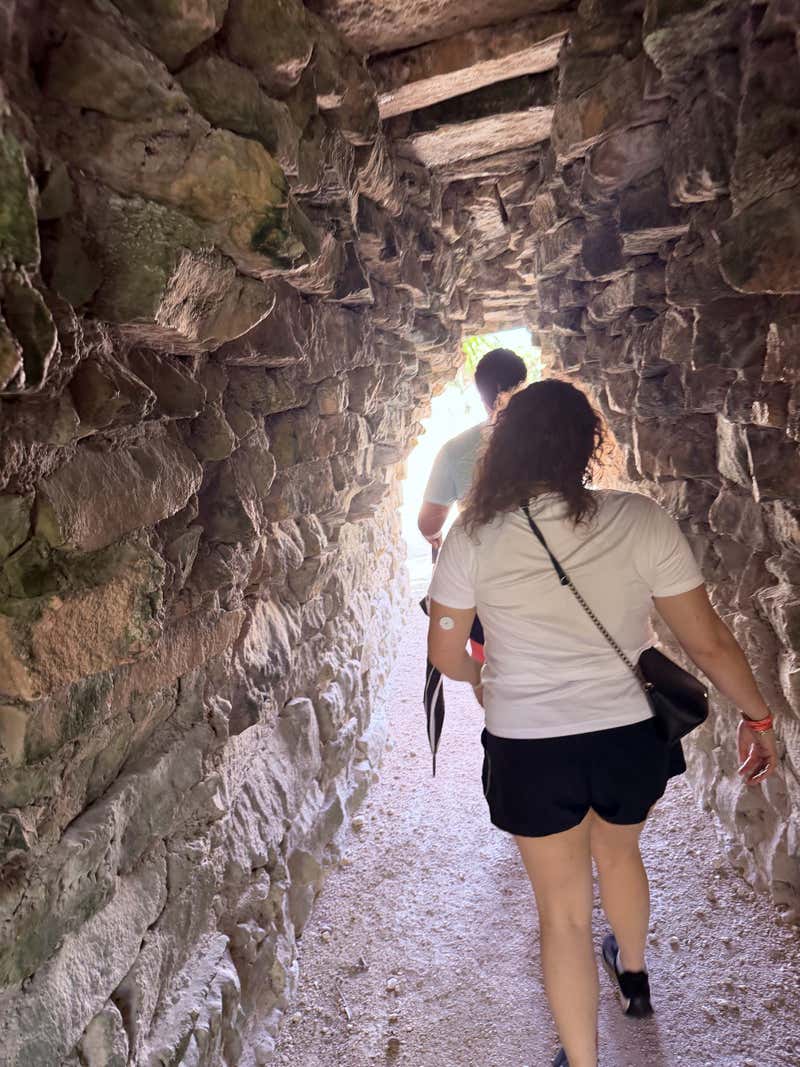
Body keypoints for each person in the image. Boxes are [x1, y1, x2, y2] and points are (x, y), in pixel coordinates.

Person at [425, 379, 779, 1067]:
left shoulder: (472, 532)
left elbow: (446, 654)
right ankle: (635, 976)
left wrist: (485, 683)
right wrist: (757, 715)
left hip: (529, 744)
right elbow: (706, 640)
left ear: (507, 447)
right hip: (626, 738)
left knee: (561, 913)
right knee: (619, 853)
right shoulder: (640, 519)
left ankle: (583, 1061)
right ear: (587, 444)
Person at [417, 346, 527, 553]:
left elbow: (428, 524)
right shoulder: (550, 439)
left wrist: (435, 536)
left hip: (486, 564)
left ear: (481, 396)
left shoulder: (454, 451)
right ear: (526, 385)